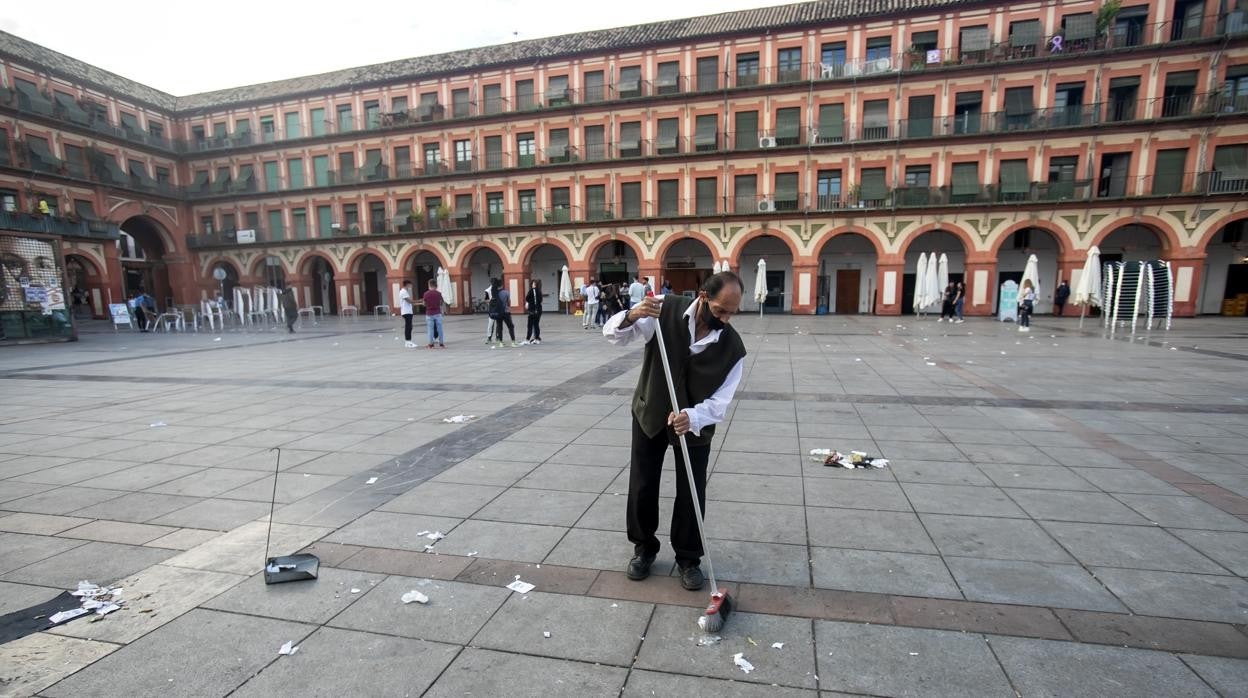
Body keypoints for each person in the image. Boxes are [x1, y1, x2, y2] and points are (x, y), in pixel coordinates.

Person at [604, 271, 747, 592]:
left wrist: (693, 417)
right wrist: (631, 314)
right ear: (703, 296)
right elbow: (615, 336)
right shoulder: (663, 309)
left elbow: (721, 402)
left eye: (731, 313)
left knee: (692, 491)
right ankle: (643, 548)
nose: (724, 319)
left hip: (693, 424)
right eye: (720, 310)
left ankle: (688, 557)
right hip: (650, 410)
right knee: (642, 483)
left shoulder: (733, 348)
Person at [493, 282, 517, 347]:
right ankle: (513, 342)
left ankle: (500, 342)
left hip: (498, 313)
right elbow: (509, 302)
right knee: (510, 327)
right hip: (506, 312)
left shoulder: (495, 293)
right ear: (502, 285)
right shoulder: (506, 292)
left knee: (499, 327)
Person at [423, 279, 445, 348]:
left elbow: (424, 304)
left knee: (430, 329)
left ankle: (431, 344)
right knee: (440, 329)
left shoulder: (426, 294)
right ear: (436, 285)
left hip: (429, 313)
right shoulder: (439, 293)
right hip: (438, 313)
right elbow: (441, 303)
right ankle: (441, 343)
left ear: (429, 285)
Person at [523, 280, 542, 345]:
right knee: (536, 325)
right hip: (539, 310)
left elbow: (527, 298)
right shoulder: (539, 291)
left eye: (533, 283)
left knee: (530, 326)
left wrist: (531, 302)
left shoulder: (531, 290)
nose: (532, 284)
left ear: (534, 284)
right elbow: (540, 300)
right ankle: (536, 339)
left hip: (532, 311)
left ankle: (527, 339)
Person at [399, 280, 416, 347]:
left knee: (409, 326)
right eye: (410, 285)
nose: (411, 286)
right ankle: (408, 341)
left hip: (408, 311)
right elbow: (409, 301)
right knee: (408, 327)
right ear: (407, 284)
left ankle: (408, 341)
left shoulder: (405, 291)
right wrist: (419, 301)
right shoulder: (403, 292)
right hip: (406, 312)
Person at [483, 279, 498, 344]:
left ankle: (498, 337)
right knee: (490, 324)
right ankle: (489, 337)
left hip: (498, 308)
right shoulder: (487, 290)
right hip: (492, 309)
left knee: (498, 324)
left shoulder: (498, 289)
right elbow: (486, 300)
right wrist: (492, 301)